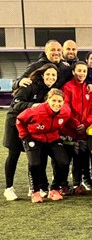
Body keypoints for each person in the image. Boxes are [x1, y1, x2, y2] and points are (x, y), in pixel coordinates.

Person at [4, 64, 61, 201]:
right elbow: (16, 104)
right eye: (48, 74)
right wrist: (33, 105)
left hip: (32, 127)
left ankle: (34, 187)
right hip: (15, 123)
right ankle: (9, 188)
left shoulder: (52, 91)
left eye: (54, 75)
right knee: (13, 155)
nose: (51, 77)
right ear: (42, 75)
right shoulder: (30, 85)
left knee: (35, 156)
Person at [16, 89, 75, 203]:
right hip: (34, 138)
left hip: (53, 138)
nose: (56, 104)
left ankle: (54, 189)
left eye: (59, 101)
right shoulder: (36, 110)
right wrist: (24, 137)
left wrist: (78, 128)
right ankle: (36, 191)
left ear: (63, 102)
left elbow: (68, 121)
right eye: (53, 100)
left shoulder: (65, 111)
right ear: (48, 100)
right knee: (35, 164)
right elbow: (20, 119)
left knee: (63, 162)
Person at [62, 62, 92, 195]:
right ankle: (62, 185)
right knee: (65, 159)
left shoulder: (88, 89)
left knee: (80, 159)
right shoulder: (67, 87)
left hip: (84, 131)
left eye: (84, 71)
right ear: (73, 72)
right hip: (69, 130)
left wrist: (86, 124)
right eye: (79, 71)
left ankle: (77, 184)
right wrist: (76, 125)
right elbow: (66, 109)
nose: (81, 73)